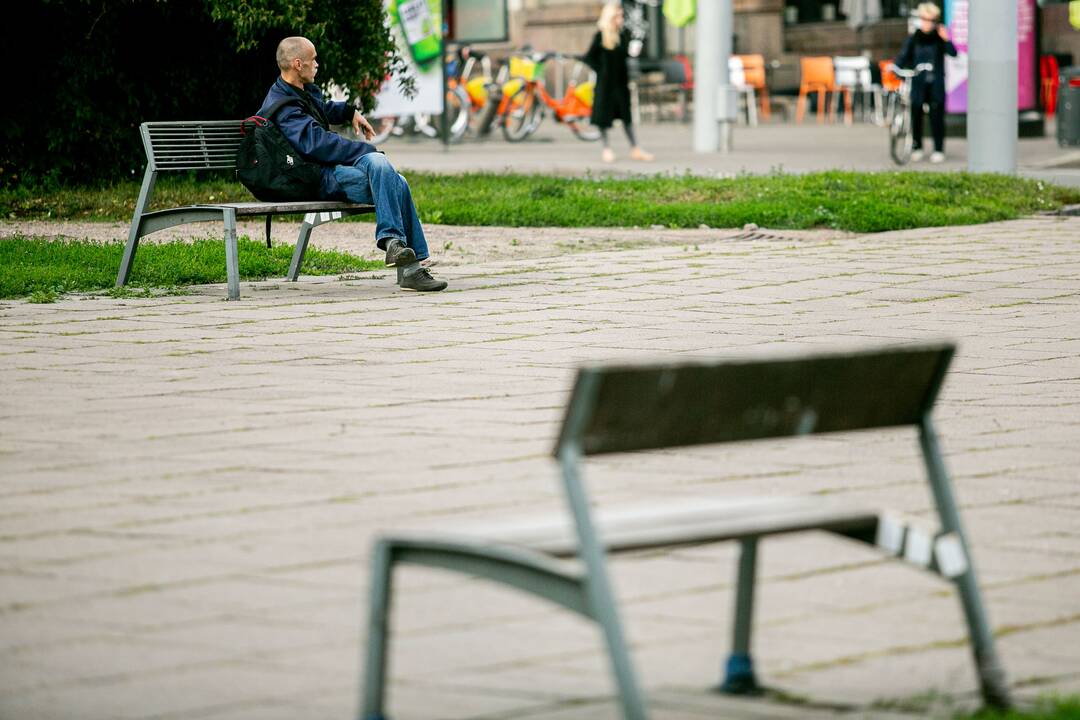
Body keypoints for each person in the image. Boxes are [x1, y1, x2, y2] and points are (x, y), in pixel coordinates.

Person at [258, 36, 447, 291]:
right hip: (314, 178)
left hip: (330, 170)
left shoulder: (298, 90)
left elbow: (321, 109)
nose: (317, 64)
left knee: (387, 172)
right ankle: (407, 263)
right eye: (313, 59)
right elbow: (316, 145)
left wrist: (349, 112)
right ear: (297, 63)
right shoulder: (284, 106)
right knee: (394, 179)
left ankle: (395, 246)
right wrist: (364, 150)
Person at [583, 3, 654, 164]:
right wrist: (601, 71)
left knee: (625, 116)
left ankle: (635, 148)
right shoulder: (601, 36)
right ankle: (606, 148)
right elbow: (589, 57)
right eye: (618, 16)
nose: (621, 19)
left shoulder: (623, 35)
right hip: (605, 84)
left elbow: (626, 56)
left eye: (622, 16)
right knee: (604, 118)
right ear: (610, 18)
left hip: (621, 83)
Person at [893, 3, 957, 163]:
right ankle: (917, 146)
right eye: (924, 19)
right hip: (918, 83)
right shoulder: (914, 38)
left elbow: (953, 53)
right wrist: (895, 67)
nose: (927, 23)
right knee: (916, 113)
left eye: (931, 20)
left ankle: (938, 148)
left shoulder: (939, 38)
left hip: (935, 82)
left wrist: (947, 39)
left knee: (936, 115)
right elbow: (903, 57)